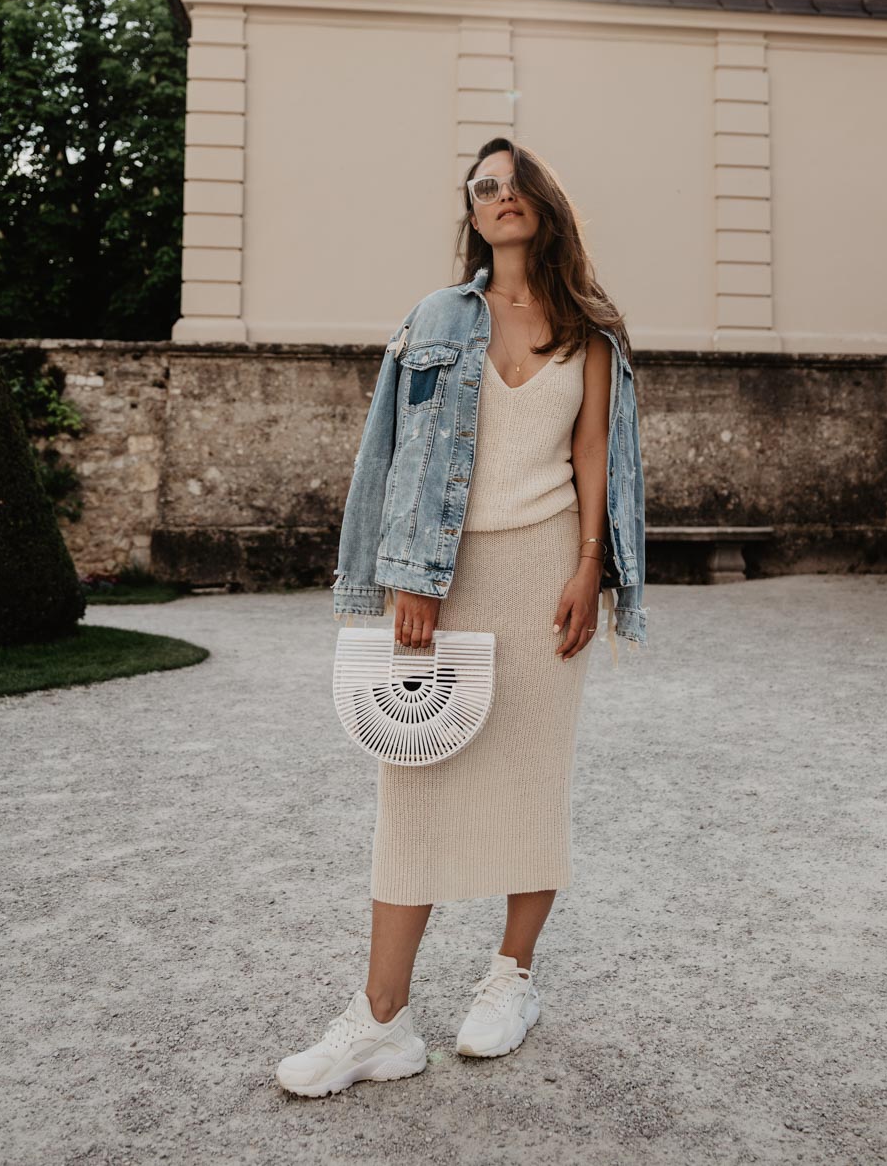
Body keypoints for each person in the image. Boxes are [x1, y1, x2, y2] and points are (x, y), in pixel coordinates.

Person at [276, 138, 647, 1098]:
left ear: (542, 202)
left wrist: (587, 570)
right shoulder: (439, 318)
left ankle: (510, 979)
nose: (501, 196)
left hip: (545, 580)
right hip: (442, 576)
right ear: (472, 215)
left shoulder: (591, 332)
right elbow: (389, 450)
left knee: (534, 783)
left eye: (514, 181)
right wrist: (403, 574)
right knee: (416, 788)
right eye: (484, 189)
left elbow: (596, 449)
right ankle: (381, 1021)